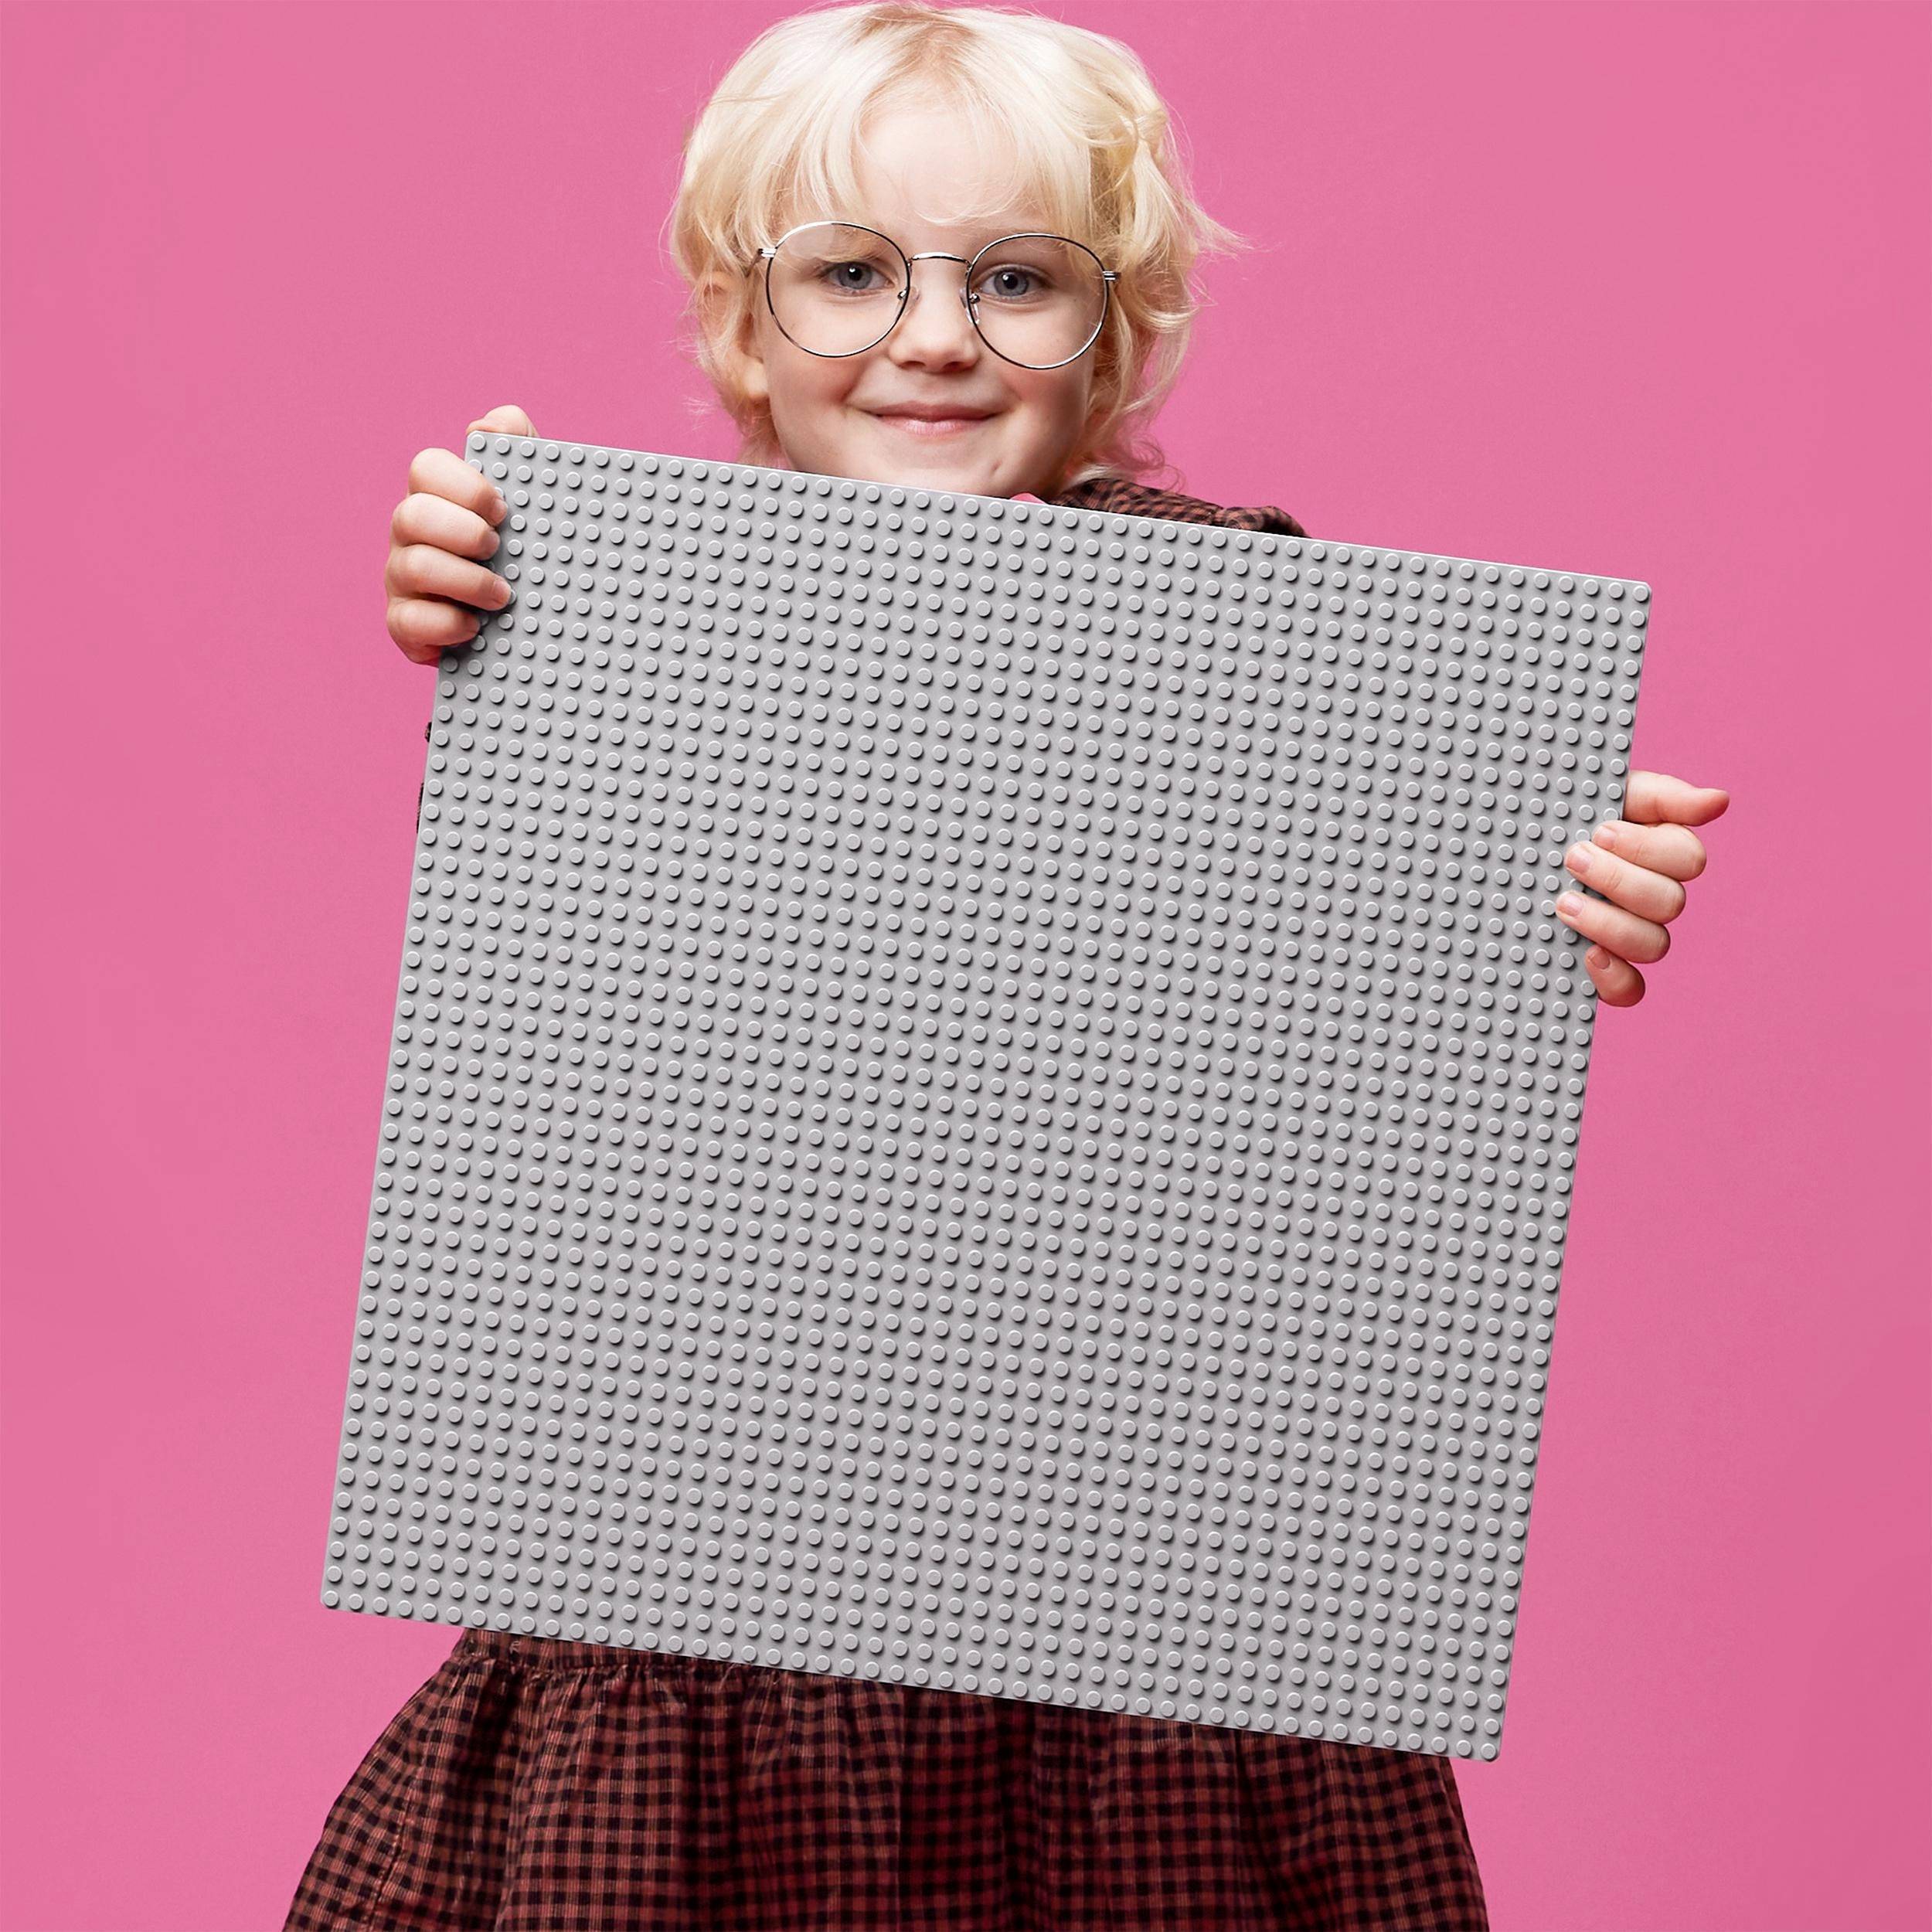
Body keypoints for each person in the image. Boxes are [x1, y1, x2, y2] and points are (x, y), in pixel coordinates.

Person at [291, 5, 1728, 1927]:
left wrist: (1550, 895)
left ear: (1114, 335)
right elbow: (594, 994)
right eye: (852, 273)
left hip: (1142, 1647)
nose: (936, 332)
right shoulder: (617, 622)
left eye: (1017, 278)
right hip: (700, 1597)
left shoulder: (1269, 644)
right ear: (740, 327)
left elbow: (1361, 1063)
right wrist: (483, 598)